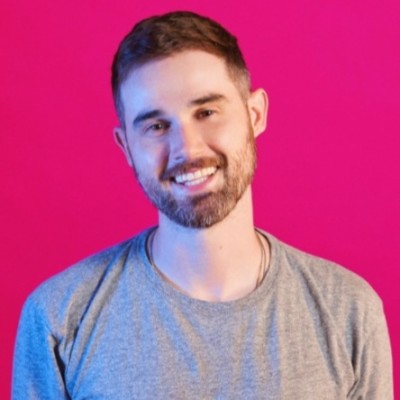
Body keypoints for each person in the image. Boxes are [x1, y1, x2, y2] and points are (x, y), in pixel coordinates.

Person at [13, 11, 393, 399]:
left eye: (207, 112)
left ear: (255, 115)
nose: (188, 149)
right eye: (156, 126)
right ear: (126, 146)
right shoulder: (60, 318)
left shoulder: (348, 311)